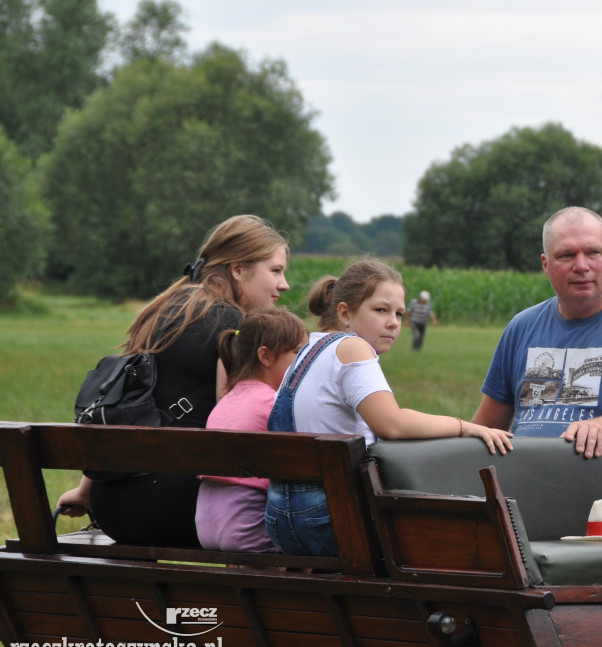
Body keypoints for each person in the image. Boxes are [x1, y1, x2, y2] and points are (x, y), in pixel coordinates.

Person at [56, 215, 291, 547]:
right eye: (276, 271)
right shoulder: (231, 324)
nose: (285, 284)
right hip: (171, 508)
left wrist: (85, 491)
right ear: (238, 270)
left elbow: (124, 405)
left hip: (113, 505)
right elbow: (240, 424)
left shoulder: (164, 310)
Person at [265, 260, 513, 556]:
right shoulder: (352, 347)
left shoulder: (308, 348)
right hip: (331, 517)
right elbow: (392, 424)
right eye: (381, 310)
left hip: (280, 516)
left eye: (398, 313)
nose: (394, 322)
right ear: (345, 313)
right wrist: (466, 426)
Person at [471, 206, 602, 460]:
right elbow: (485, 427)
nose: (582, 266)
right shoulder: (522, 326)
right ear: (546, 264)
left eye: (593, 252)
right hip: (521, 480)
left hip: (599, 488)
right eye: (567, 255)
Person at [196, 307, 308, 553]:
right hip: (249, 531)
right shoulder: (274, 403)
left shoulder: (226, 400)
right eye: (298, 354)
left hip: (206, 528)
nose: (303, 364)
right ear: (266, 357)